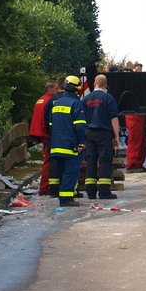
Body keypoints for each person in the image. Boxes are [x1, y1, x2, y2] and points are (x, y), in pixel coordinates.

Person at [45, 75, 87, 207]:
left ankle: (60, 196)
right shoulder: (76, 103)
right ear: (76, 89)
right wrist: (82, 142)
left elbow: (50, 124)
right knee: (70, 172)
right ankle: (66, 199)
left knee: (60, 171)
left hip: (56, 144)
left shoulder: (56, 102)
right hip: (70, 145)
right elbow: (79, 125)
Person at [82, 75, 120, 200]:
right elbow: (114, 119)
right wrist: (117, 137)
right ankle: (104, 192)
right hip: (104, 133)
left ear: (94, 84)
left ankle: (91, 192)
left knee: (91, 161)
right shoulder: (108, 98)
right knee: (105, 162)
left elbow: (82, 119)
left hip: (89, 133)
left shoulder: (86, 99)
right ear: (106, 85)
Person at [28, 80, 60, 195]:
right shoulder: (48, 101)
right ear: (50, 88)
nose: (57, 91)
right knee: (48, 160)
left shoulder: (40, 99)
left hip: (38, 132)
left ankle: (45, 186)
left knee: (47, 159)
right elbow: (46, 120)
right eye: (55, 89)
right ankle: (44, 187)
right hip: (45, 133)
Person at [125, 63, 146, 172]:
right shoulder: (132, 85)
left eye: (141, 70)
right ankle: (131, 164)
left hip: (138, 116)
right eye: (138, 70)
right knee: (135, 140)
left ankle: (138, 163)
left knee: (140, 141)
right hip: (134, 116)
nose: (140, 72)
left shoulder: (138, 84)